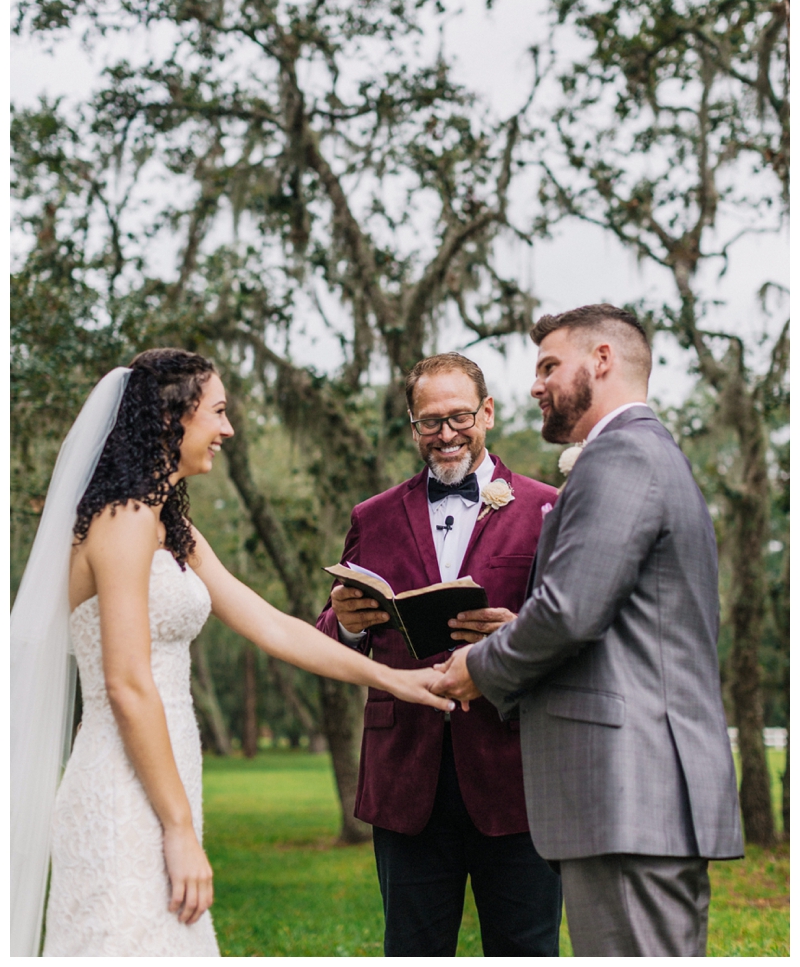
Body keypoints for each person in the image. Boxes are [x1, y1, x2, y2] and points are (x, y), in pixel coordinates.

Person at [10, 349, 454, 957]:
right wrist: (177, 829)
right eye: (217, 412)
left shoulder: (171, 527)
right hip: (121, 790)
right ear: (173, 418)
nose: (228, 429)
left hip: (164, 780)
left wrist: (398, 679)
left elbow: (274, 626)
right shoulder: (123, 519)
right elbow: (126, 683)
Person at [433, 305, 744, 957]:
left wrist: (478, 667)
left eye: (549, 365)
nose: (536, 384)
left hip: (633, 789)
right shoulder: (648, 455)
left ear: (601, 360)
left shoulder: (621, 455)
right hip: (637, 796)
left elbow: (570, 612)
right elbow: (620, 619)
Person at [316, 352, 562, 957]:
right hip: (406, 778)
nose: (446, 435)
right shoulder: (371, 517)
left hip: (516, 773)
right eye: (430, 422)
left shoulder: (546, 507)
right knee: (413, 949)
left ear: (488, 413)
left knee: (526, 948)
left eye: (459, 417)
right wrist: (345, 625)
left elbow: (574, 627)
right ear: (412, 425)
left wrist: (517, 633)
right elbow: (324, 638)